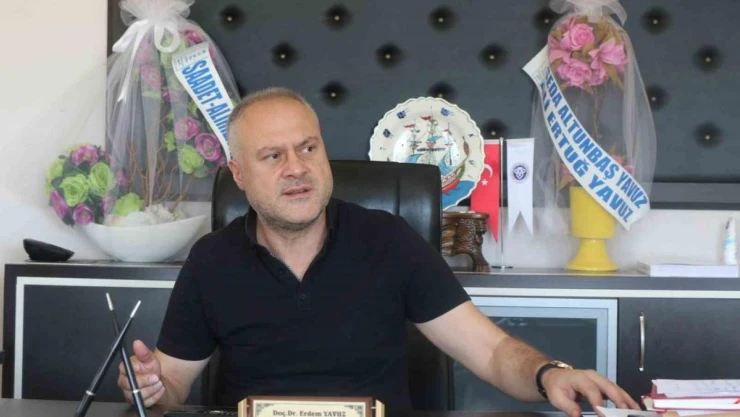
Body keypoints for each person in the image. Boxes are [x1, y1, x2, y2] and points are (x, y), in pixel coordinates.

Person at [117, 87, 639, 417]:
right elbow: (173, 385)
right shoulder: (212, 260)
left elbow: (491, 352)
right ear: (239, 175)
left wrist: (550, 373)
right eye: (272, 156)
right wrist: (150, 386)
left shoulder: (389, 241)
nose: (296, 167)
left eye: (308, 147)